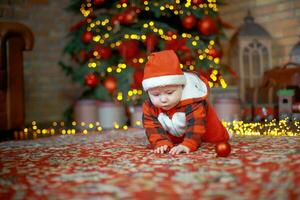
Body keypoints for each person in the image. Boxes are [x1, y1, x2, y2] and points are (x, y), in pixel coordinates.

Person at [142, 50, 229, 155]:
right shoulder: (150, 107)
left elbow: (196, 125)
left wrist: (188, 144)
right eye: (156, 95)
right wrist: (160, 142)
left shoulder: (193, 100)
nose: (163, 99)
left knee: (215, 138)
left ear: (181, 87)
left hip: (208, 132)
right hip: (177, 135)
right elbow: (152, 127)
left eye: (169, 93)